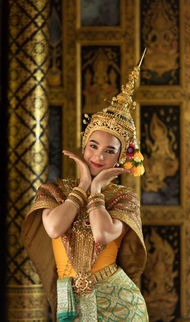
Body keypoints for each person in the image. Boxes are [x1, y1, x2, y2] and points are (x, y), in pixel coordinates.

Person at [22, 56, 148, 321]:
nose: (98, 157)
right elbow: (54, 228)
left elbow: (103, 234)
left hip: (119, 302)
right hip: (69, 298)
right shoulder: (54, 191)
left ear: (120, 159)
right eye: (93, 146)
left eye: (109, 151)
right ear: (83, 145)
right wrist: (82, 186)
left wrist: (98, 190)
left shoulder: (124, 198)